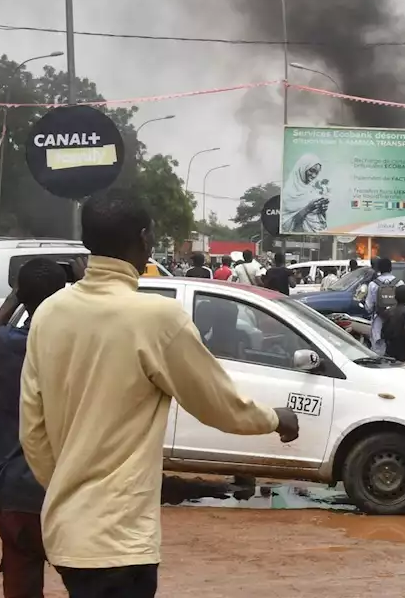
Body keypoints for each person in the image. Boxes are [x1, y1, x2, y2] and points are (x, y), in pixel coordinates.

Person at [20, 190, 298, 598]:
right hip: (120, 542)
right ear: (145, 239)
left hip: (67, 535)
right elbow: (216, 403)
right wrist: (275, 418)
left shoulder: (48, 314)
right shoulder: (155, 318)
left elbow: (32, 429)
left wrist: (67, 487)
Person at [0, 258, 67, 598]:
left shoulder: (6, 343)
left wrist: (14, 297)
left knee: (21, 583)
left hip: (14, 488)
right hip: (70, 488)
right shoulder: (78, 344)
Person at [280, 154, 329, 233]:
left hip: (318, 237)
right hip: (298, 239)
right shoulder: (288, 193)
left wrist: (322, 210)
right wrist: (308, 208)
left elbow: (321, 221)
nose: (313, 175)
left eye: (317, 173)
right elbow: (285, 225)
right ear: (302, 168)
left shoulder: (313, 191)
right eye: (311, 170)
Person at [364, 258, 405, 349]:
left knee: (378, 350)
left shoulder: (373, 284)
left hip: (379, 321)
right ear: (391, 268)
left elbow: (369, 306)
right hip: (396, 321)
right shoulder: (399, 283)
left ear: (378, 269)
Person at [380, 285, 405, 366]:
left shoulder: (388, 311)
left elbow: (383, 330)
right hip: (402, 347)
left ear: (395, 297)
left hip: (390, 347)